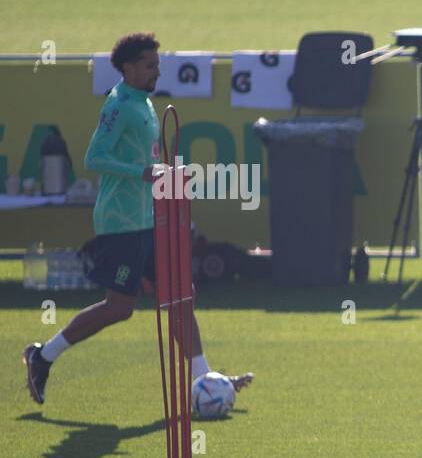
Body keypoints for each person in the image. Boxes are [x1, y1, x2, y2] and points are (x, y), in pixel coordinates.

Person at [22, 32, 251, 405]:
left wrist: (167, 174)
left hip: (149, 220)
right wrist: (143, 172)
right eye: (150, 65)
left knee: (180, 296)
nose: (156, 72)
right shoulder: (118, 105)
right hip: (120, 223)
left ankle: (204, 378)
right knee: (119, 307)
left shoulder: (144, 102)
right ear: (128, 67)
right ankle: (43, 355)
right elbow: (94, 158)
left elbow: (147, 160)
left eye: (158, 65)